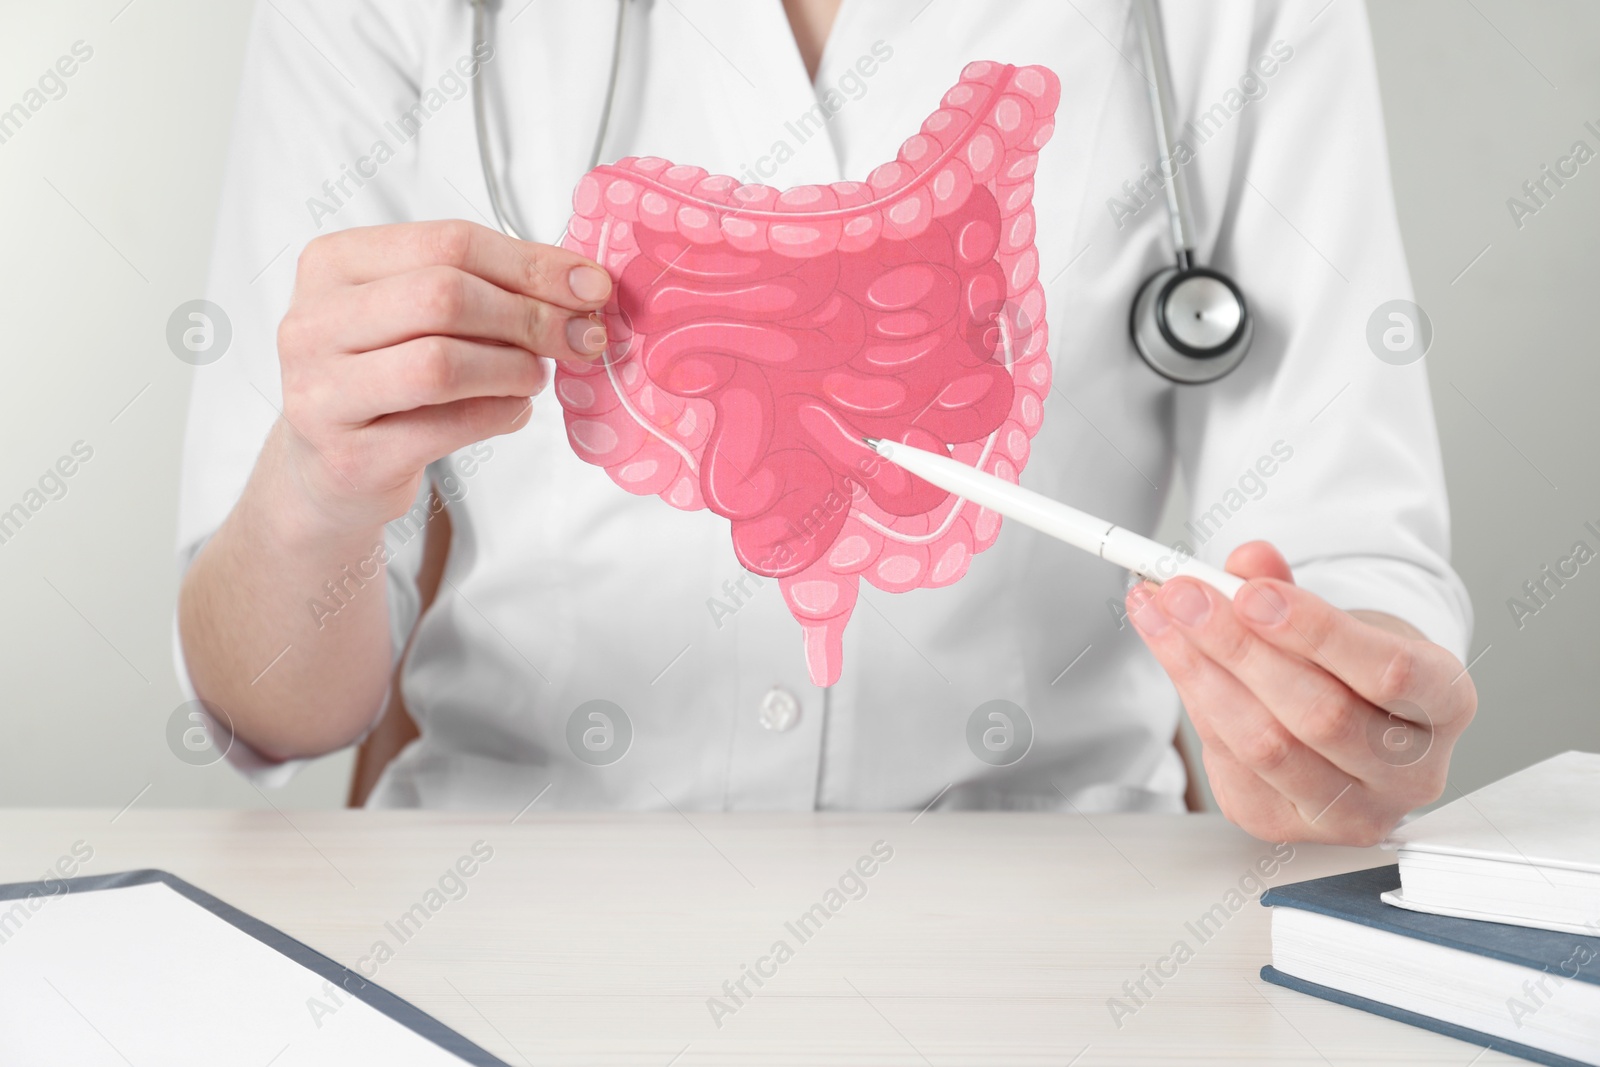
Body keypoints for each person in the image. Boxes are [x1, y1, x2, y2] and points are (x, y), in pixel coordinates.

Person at [176, 0, 1476, 842]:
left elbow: (1345, 562)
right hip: (516, 912)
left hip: (1057, 937)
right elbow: (273, 703)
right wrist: (316, 490)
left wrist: (1332, 715)